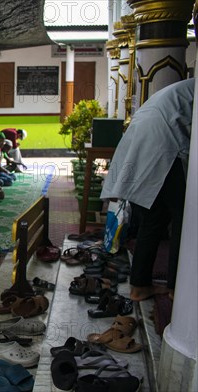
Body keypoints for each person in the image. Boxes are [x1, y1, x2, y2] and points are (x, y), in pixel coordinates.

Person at [101, 78, 194, 301]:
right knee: (186, 217)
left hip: (146, 139)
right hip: (164, 143)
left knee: (155, 217)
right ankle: (176, 288)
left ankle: (140, 285)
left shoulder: (184, 87)